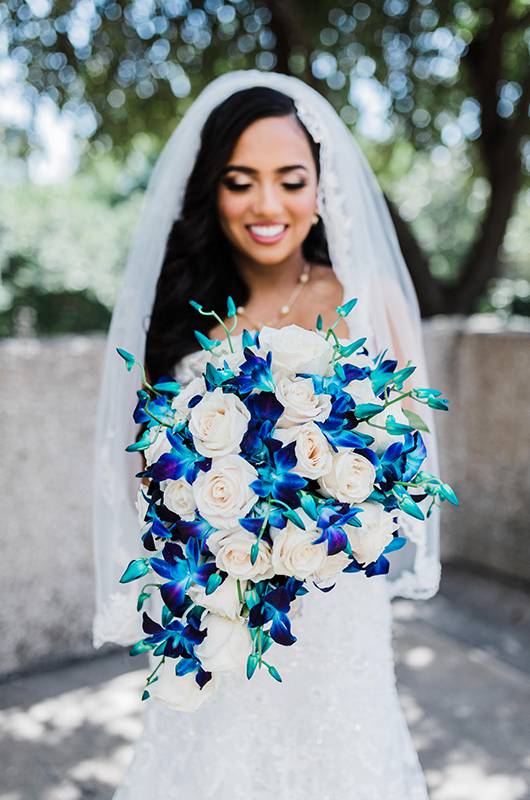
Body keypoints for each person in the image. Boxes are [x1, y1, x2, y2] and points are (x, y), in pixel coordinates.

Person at [92, 70, 441, 799]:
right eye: (240, 181)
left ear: (323, 189)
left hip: (337, 612)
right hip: (219, 614)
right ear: (211, 192)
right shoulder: (181, 316)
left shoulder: (366, 299)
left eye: (290, 179)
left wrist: (326, 522)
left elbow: (408, 459)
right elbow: (145, 476)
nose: (267, 205)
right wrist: (218, 530)